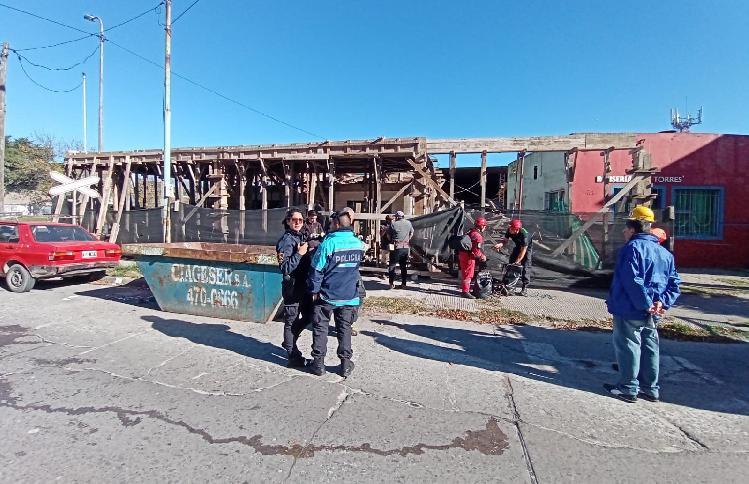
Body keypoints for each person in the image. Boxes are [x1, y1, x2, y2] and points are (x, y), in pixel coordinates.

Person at [604, 205, 681, 403]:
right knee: (650, 347)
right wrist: (661, 304)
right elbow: (674, 283)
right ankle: (650, 388)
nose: (623, 231)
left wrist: (645, 303)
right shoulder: (665, 254)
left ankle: (628, 388)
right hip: (653, 311)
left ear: (633, 229)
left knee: (628, 345)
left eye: (625, 228)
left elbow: (632, 279)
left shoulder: (632, 249)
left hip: (630, 308)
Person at [307, 210, 366, 377]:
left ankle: (318, 364)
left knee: (320, 328)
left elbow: (317, 269)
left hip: (327, 294)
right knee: (344, 329)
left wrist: (314, 290)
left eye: (332, 223)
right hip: (349, 295)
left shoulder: (329, 243)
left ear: (337, 224)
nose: (330, 226)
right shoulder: (358, 244)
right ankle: (345, 364)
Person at [275, 209, 312, 368]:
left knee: (310, 316)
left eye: (301, 220)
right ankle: (293, 355)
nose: (298, 222)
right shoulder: (285, 241)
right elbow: (285, 268)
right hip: (292, 288)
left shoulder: (299, 237)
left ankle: (289, 340)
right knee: (291, 320)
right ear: (288, 221)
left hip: (304, 286)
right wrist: (300, 254)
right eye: (294, 220)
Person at [493, 218, 532, 296]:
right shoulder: (509, 230)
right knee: (511, 264)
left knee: (525, 267)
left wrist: (518, 261)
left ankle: (524, 288)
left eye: (511, 228)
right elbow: (505, 240)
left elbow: (523, 250)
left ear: (516, 229)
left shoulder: (525, 235)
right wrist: (500, 244)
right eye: (509, 227)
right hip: (518, 247)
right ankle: (509, 285)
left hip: (526, 249)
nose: (509, 229)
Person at [458, 217, 488, 299]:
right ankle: (465, 292)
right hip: (469, 257)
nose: (485, 228)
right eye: (484, 226)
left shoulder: (470, 231)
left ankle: (465, 290)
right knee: (469, 274)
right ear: (481, 226)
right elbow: (476, 250)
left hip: (462, 254)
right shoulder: (478, 236)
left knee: (464, 273)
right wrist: (482, 256)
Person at [387, 211, 414, 289]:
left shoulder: (393, 224)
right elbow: (412, 232)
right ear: (403, 216)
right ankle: (404, 284)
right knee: (403, 266)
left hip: (396, 247)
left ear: (396, 217)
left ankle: (391, 284)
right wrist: (407, 239)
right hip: (405, 247)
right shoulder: (409, 223)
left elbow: (388, 236)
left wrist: (392, 240)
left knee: (392, 265)